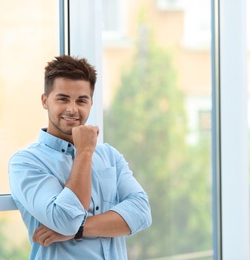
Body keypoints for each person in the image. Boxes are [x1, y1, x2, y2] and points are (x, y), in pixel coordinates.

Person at [8, 55, 152, 259]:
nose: (72, 109)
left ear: (91, 103)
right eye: (63, 98)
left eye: (81, 100)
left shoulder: (109, 155)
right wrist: (84, 152)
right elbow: (67, 219)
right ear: (44, 101)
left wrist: (80, 229)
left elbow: (141, 213)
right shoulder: (26, 162)